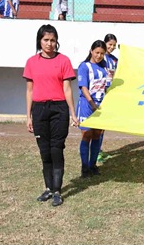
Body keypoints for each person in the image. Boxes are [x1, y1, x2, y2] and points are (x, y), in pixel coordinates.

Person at [23, 24, 79, 206]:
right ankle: (48, 188)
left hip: (59, 109)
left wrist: (72, 113)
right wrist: (28, 116)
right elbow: (29, 91)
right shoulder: (32, 62)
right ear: (40, 41)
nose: (49, 43)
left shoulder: (64, 61)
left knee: (56, 149)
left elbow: (67, 89)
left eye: (53, 40)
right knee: (44, 151)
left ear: (57, 42)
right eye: (46, 40)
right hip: (39, 110)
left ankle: (57, 190)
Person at [76, 40, 108, 178]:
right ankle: (84, 168)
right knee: (87, 135)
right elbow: (83, 87)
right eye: (97, 52)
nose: (99, 56)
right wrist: (92, 103)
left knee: (97, 135)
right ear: (91, 51)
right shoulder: (84, 66)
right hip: (87, 106)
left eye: (102, 53)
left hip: (100, 106)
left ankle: (92, 165)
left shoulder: (104, 68)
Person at [96, 33, 119, 166]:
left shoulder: (115, 60)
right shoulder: (100, 57)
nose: (111, 47)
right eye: (110, 44)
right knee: (98, 125)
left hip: (109, 93)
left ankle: (99, 149)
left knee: (103, 125)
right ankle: (96, 151)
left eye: (114, 46)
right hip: (100, 92)